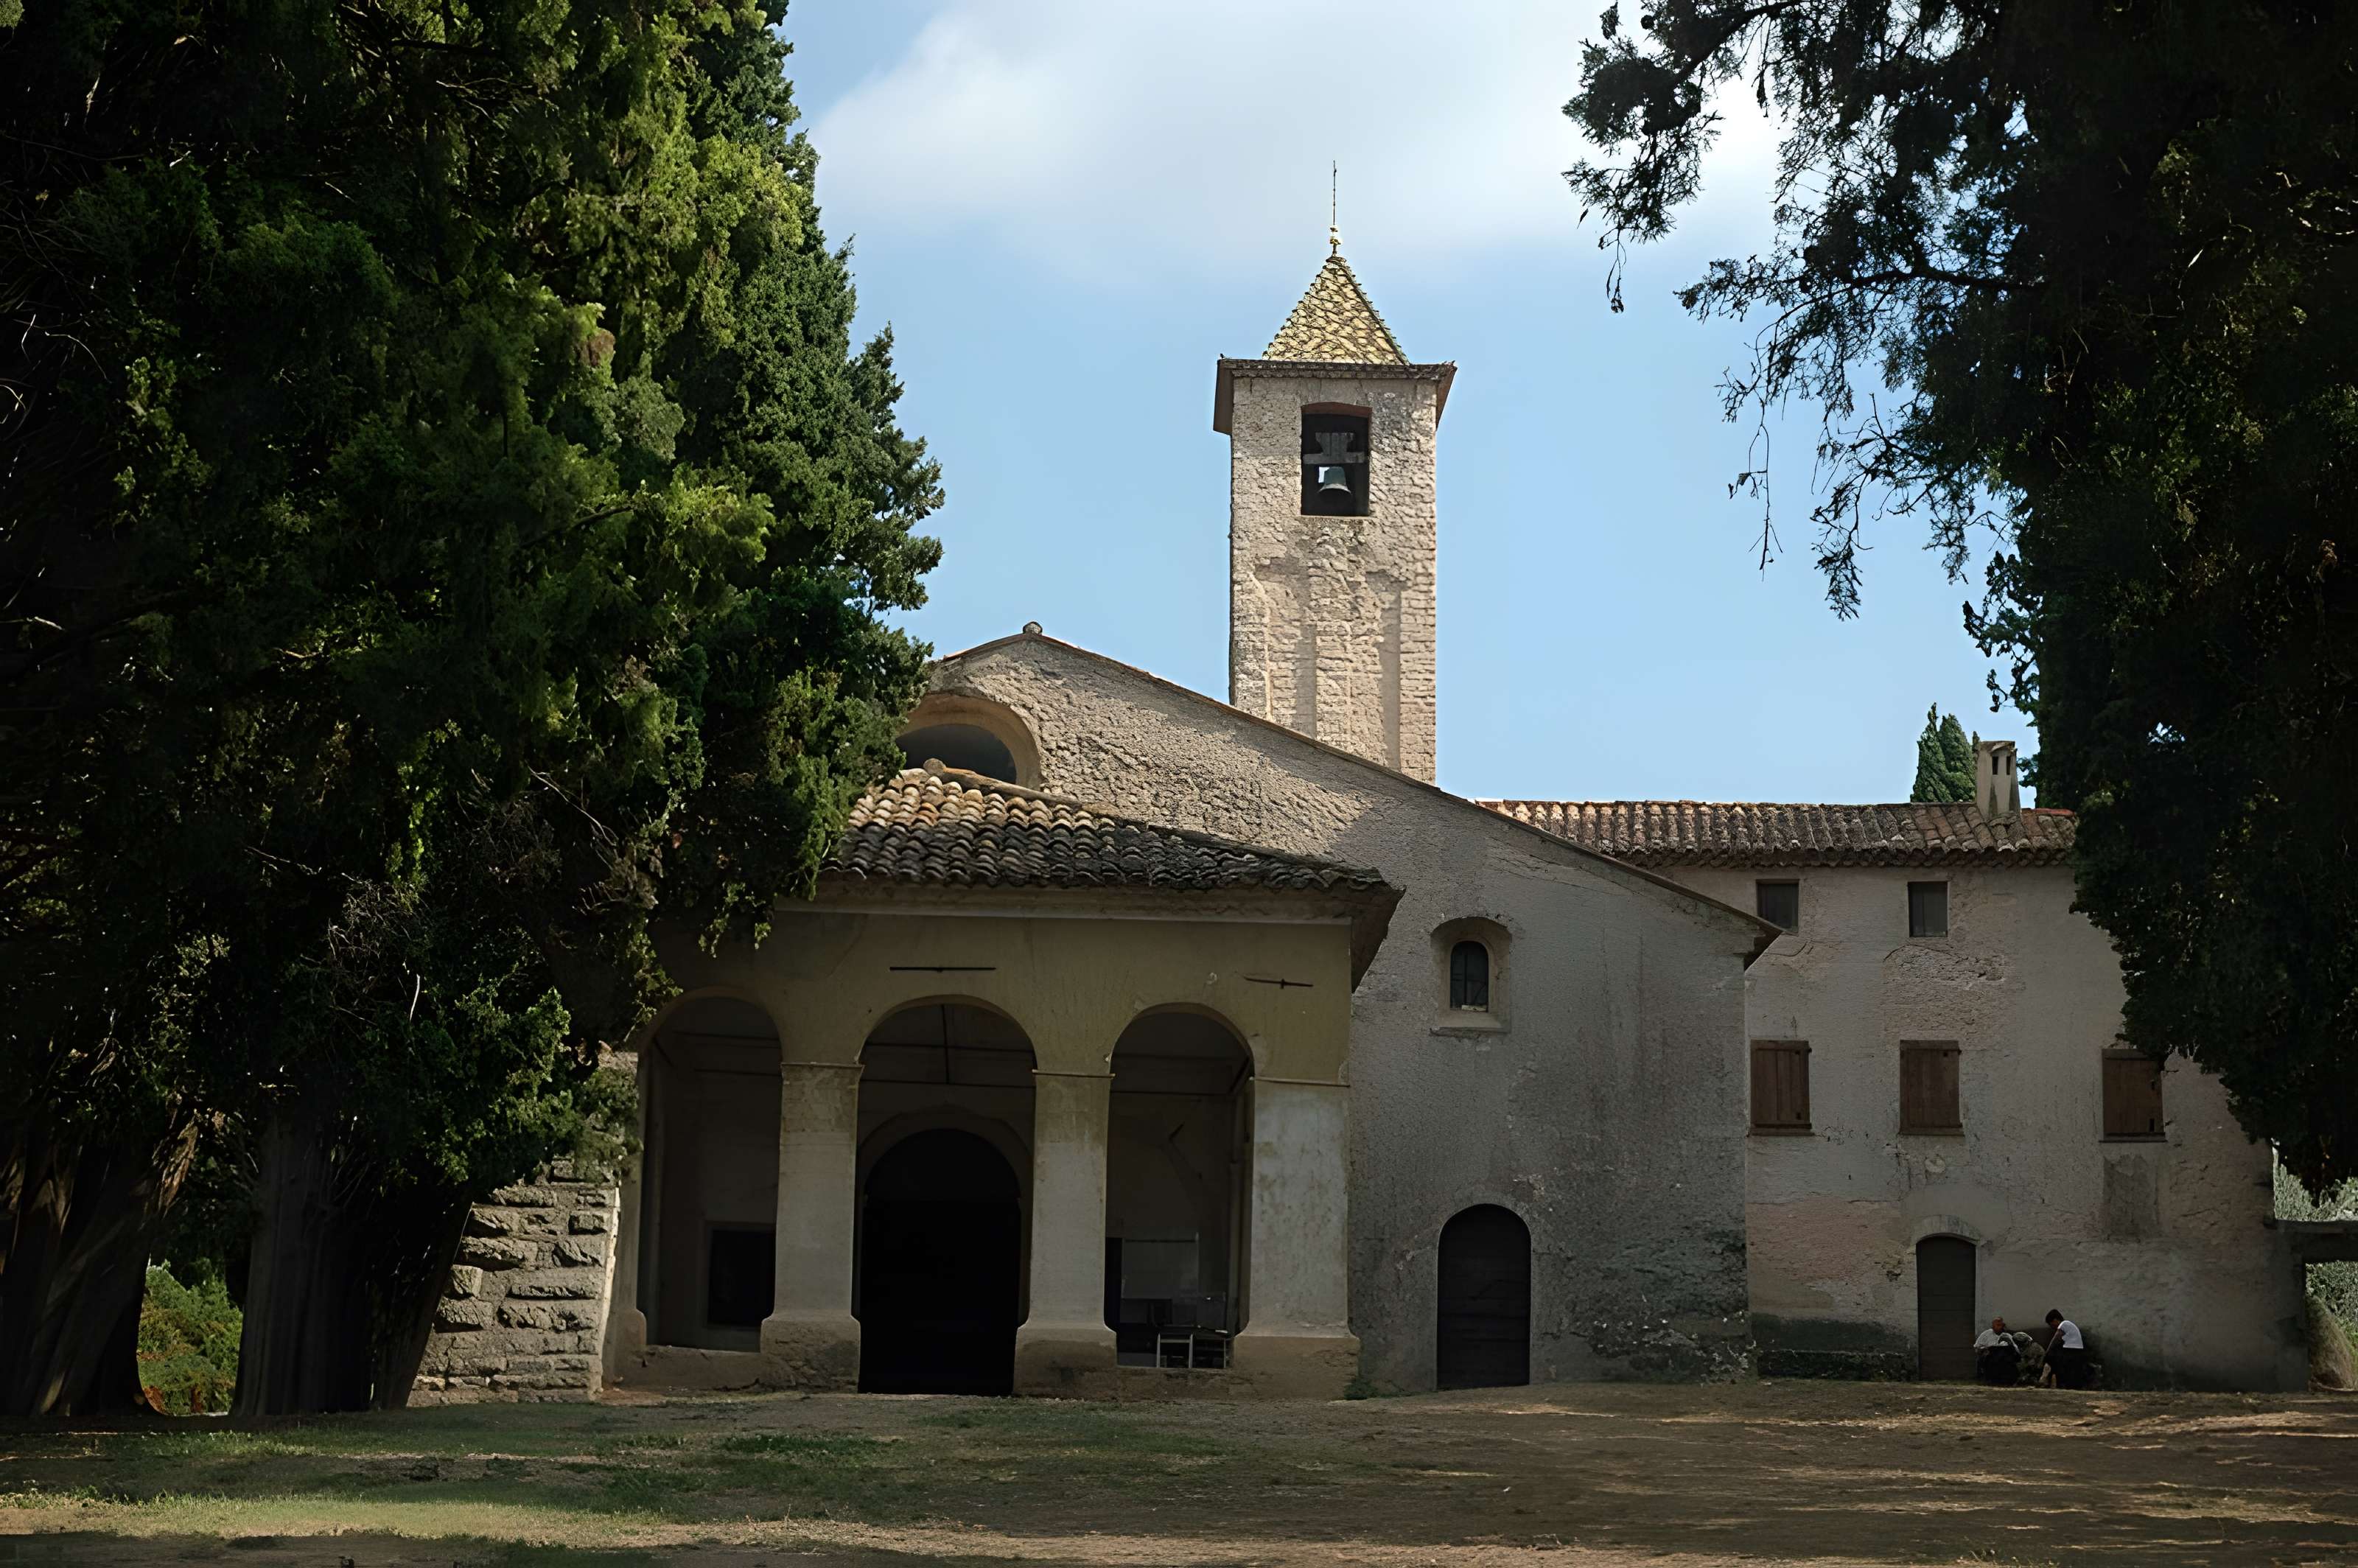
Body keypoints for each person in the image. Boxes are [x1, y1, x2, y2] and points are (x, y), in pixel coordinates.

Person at [2045, 1309, 2091, 1388]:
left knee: (2055, 1361)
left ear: (2055, 1320)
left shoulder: (2064, 1324)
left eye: (2051, 1324)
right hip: (2076, 1351)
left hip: (2071, 1350)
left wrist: (2047, 1352)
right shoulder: (2069, 1325)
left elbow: (2055, 1340)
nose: (2052, 1327)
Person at [1973, 1317, 2020, 1385]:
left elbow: (2016, 1350)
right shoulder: (1986, 1334)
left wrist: (2009, 1343)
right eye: (1997, 1325)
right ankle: (1990, 1380)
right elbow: (1977, 1348)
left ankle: (2006, 1381)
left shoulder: (2007, 1336)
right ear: (1993, 1326)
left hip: (2004, 1357)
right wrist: (1984, 1349)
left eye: (2000, 1325)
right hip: (1990, 1356)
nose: (1999, 1327)